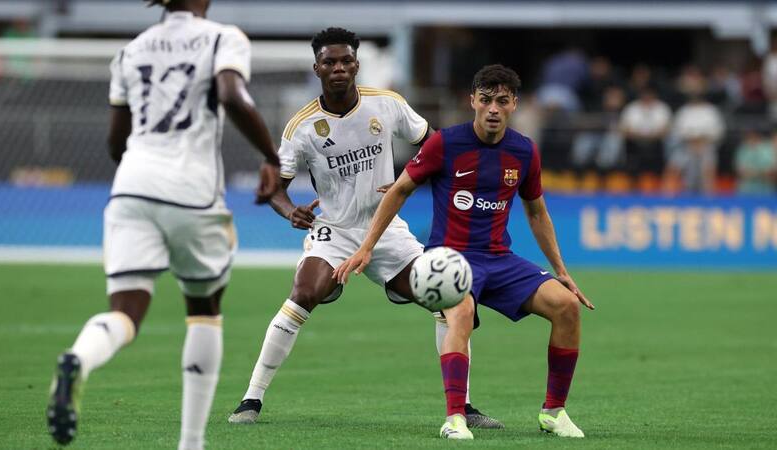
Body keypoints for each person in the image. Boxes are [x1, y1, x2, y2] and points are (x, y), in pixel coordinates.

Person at [227, 27, 502, 430]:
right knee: (304, 292)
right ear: (317, 67)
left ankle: (464, 406)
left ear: (356, 64)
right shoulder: (302, 126)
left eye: (345, 61)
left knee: (449, 300)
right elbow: (274, 188)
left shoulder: (387, 105)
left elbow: (436, 147)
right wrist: (289, 212)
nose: (338, 68)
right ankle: (251, 398)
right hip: (335, 230)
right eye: (329, 62)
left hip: (387, 229)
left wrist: (414, 175)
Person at [46, 1, 281, 449]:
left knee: (126, 312)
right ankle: (190, 443)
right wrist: (271, 156)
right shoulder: (222, 37)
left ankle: (80, 356)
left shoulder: (131, 50)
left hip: (131, 187)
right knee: (204, 311)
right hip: (192, 191)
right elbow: (232, 95)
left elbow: (117, 139)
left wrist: (144, 166)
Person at [334, 64, 595, 440]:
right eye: (486, 100)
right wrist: (367, 247)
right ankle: (455, 417)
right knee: (461, 311)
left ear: (514, 105)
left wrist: (562, 271)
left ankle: (554, 412)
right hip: (450, 258)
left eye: (502, 101)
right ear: (472, 100)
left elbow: (537, 212)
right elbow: (400, 189)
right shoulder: (445, 143)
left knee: (566, 306)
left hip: (500, 260)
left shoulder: (523, 151)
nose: (493, 109)